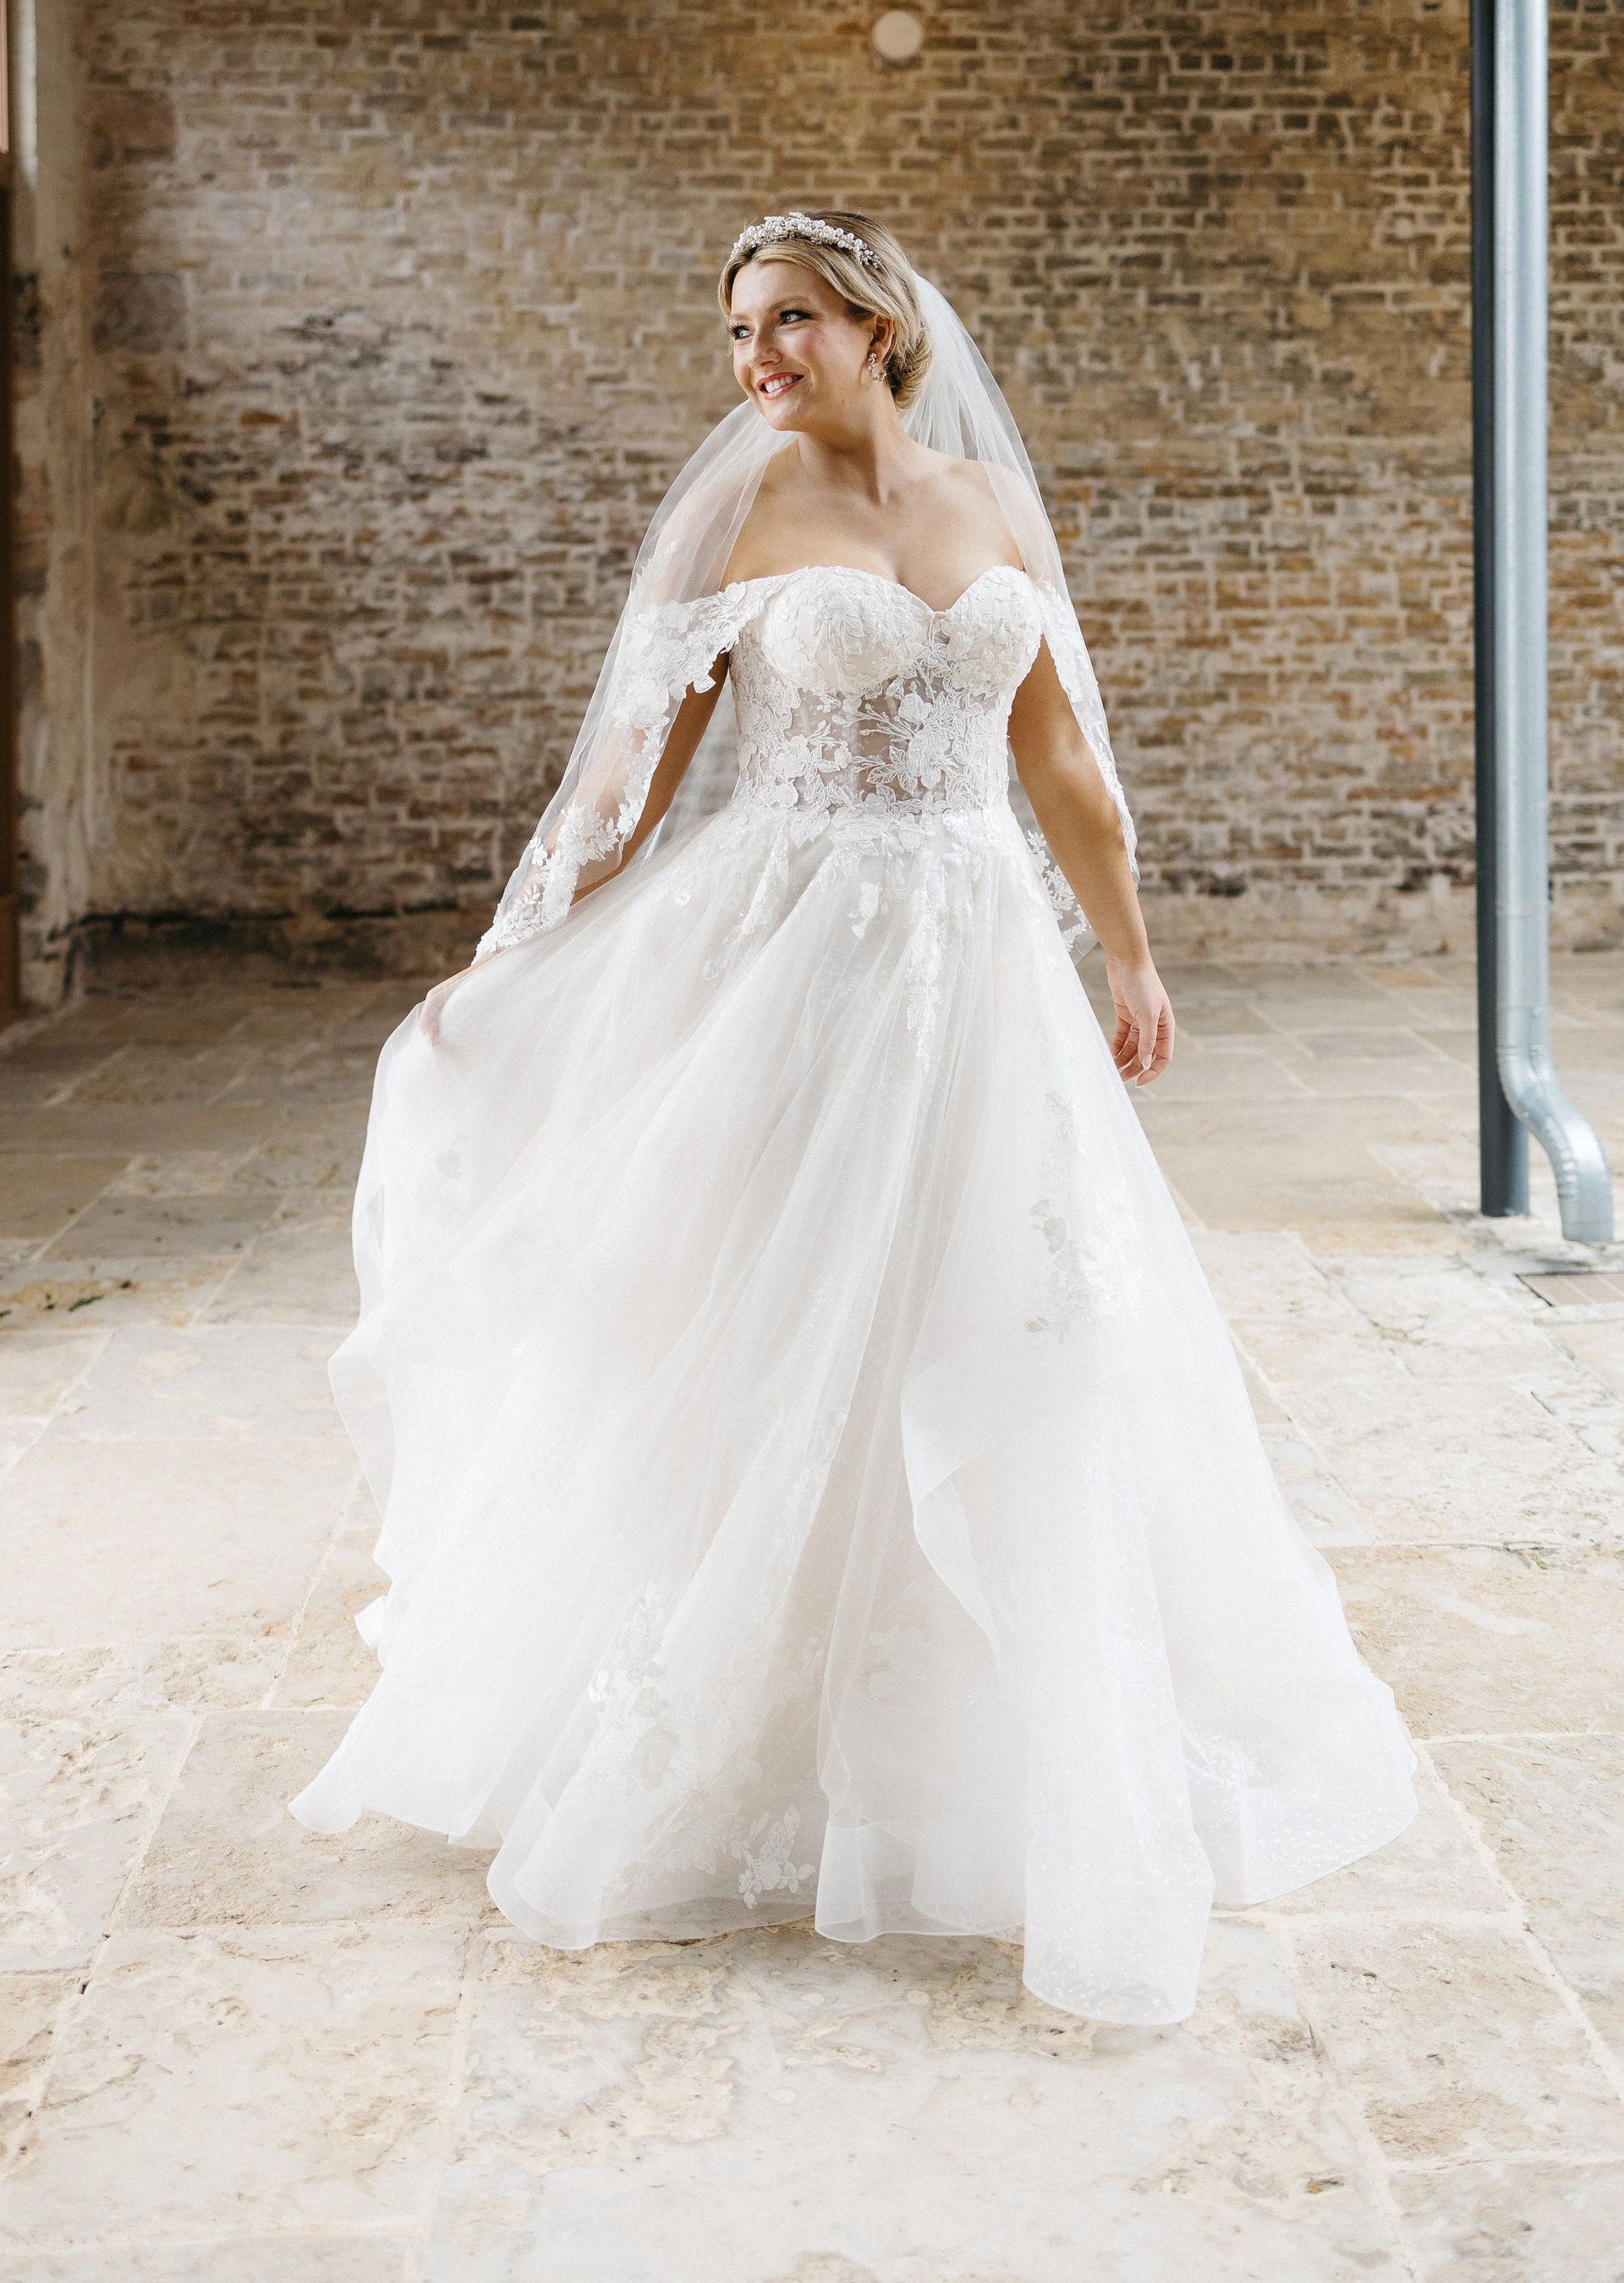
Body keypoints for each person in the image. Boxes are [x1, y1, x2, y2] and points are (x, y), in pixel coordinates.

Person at [288, 210, 1417, 2026]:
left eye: (790, 320)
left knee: (1013, 1322)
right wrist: (502, 964)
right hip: (793, 967)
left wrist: (1129, 959)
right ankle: (726, 1712)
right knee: (776, 1317)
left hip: (980, 971)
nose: (758, 361)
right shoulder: (738, 523)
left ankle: (1008, 1728)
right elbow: (622, 790)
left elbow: (1063, 758)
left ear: (879, 325)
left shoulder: (990, 506)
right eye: (739, 331)